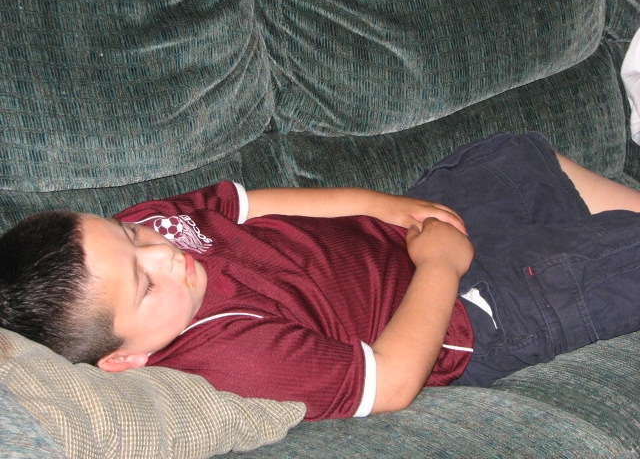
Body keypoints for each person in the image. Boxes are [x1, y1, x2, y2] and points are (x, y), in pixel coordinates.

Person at [1, 132, 639, 421]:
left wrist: (385, 206)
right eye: (145, 285)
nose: (161, 252)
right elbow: (390, 383)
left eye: (130, 236)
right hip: (466, 314)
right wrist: (440, 265)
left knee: (511, 156)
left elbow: (256, 204)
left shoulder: (153, 227)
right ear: (125, 360)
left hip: (401, 237)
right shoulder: (231, 359)